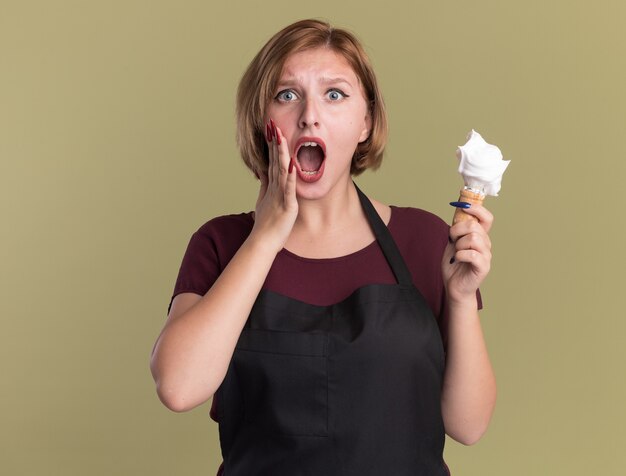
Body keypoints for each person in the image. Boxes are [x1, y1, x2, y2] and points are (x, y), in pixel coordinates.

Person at [150, 19, 496, 476]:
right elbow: (178, 387)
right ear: (263, 120)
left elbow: (468, 425)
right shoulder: (221, 244)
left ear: (365, 124)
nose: (309, 115)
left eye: (335, 94)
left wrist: (459, 299)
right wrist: (266, 237)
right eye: (286, 95)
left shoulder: (425, 239)